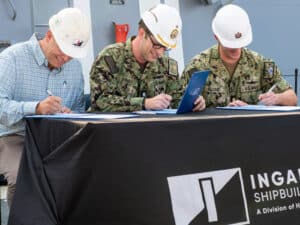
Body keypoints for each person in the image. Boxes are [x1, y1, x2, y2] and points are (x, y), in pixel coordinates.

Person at [0, 7, 90, 206]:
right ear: (49, 36)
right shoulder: (12, 59)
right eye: (63, 52)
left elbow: (78, 109)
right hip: (14, 136)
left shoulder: (73, 67)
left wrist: (70, 114)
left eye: (71, 55)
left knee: (87, 169)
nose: (66, 59)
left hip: (57, 137)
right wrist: (36, 108)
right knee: (23, 176)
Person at [90, 4, 206, 112]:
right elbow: (100, 102)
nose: (160, 53)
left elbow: (175, 100)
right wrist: (144, 103)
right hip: (114, 131)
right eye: (157, 45)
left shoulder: (167, 65)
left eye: (165, 48)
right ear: (142, 33)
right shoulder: (109, 58)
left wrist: (192, 103)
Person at [181, 4, 297, 107]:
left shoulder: (259, 63)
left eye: (240, 44)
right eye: (230, 45)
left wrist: (276, 98)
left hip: (250, 129)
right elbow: (179, 104)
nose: (236, 50)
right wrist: (196, 104)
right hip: (212, 129)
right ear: (217, 37)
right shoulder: (198, 66)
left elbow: (292, 98)